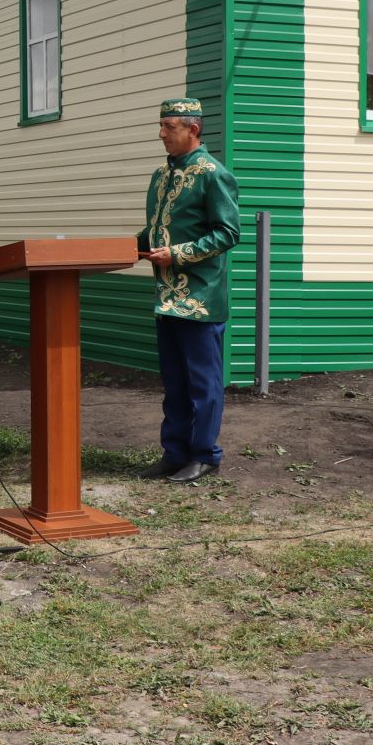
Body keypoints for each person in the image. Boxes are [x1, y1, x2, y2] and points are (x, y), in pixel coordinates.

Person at [132, 99, 241, 484]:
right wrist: (126, 247)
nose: (161, 133)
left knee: (203, 384)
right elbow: (155, 228)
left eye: (168, 126)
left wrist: (177, 254)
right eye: (161, 126)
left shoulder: (213, 174)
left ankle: (205, 455)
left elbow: (229, 232)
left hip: (200, 298)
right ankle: (174, 452)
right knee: (174, 382)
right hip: (166, 297)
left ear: (193, 129)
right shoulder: (160, 176)